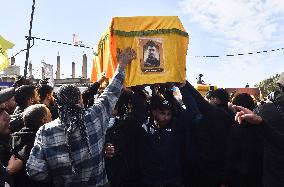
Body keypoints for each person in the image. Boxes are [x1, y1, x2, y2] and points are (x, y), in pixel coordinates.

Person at [26, 47, 136, 187]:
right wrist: (122, 64)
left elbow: (35, 170)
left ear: (58, 105)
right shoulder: (95, 116)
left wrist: (57, 178)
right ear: (81, 101)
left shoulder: (45, 131)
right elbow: (112, 91)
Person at [11, 104, 52, 187]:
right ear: (44, 120)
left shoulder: (15, 138)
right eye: (51, 117)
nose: (52, 120)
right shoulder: (40, 145)